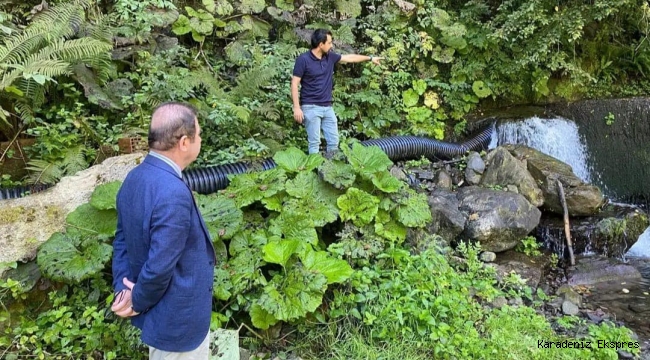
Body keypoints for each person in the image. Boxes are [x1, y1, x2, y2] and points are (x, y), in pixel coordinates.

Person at [111, 102, 216, 360]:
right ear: (183, 142)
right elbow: (159, 266)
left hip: (160, 318)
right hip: (177, 324)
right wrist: (136, 300)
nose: (200, 140)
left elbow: (121, 239)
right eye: (198, 134)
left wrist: (122, 287)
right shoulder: (172, 192)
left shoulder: (135, 177)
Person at [291, 28, 383, 154]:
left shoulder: (330, 57)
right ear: (320, 44)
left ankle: (331, 170)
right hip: (311, 107)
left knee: (334, 141)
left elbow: (350, 58)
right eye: (329, 43)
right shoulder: (304, 59)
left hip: (327, 107)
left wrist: (370, 58)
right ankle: (312, 172)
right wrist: (297, 107)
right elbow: (295, 83)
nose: (331, 45)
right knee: (314, 143)